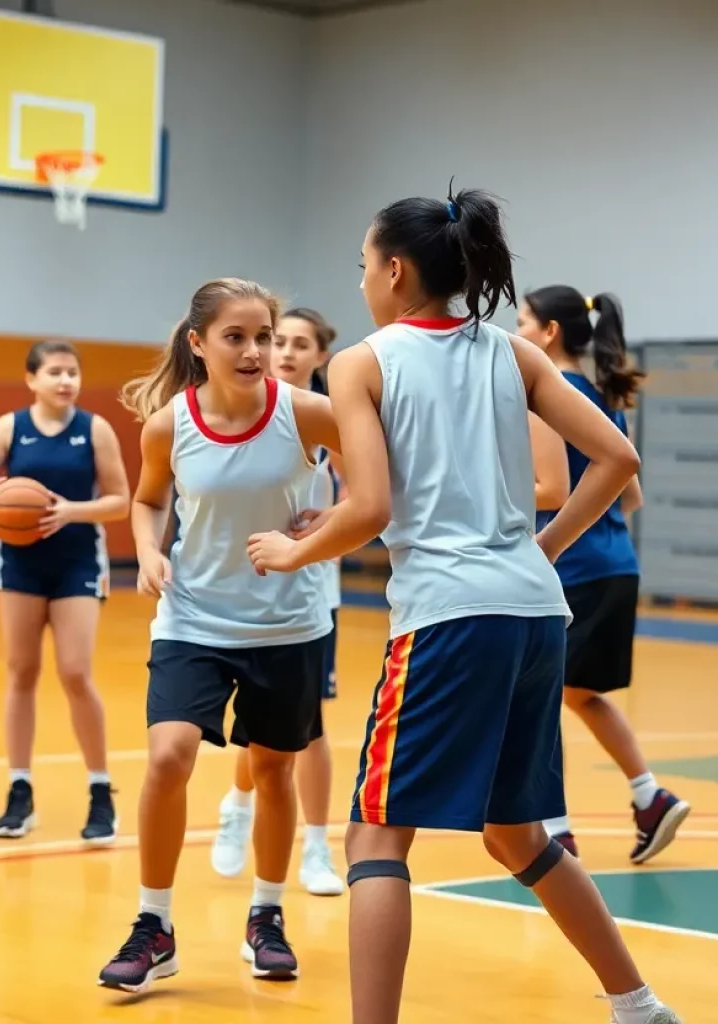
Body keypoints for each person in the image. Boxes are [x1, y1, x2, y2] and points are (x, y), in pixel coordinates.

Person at [247, 190, 682, 1024]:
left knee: (376, 838)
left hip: (448, 616)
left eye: (365, 263)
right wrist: (541, 551)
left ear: (395, 270)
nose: (364, 278)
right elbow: (617, 457)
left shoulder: (363, 362)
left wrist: (293, 549)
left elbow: (368, 507)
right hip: (531, 615)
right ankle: (638, 1005)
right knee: (517, 833)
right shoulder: (509, 353)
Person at [97, 278, 340, 994]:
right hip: (193, 617)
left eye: (264, 337)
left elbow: (373, 494)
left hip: (288, 621)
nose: (256, 350)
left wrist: (322, 529)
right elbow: (147, 502)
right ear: (198, 344)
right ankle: (154, 926)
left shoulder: (308, 413)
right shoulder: (169, 424)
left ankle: (266, 915)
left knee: (272, 772)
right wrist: (147, 551)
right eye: (237, 337)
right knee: (169, 756)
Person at [517, 287, 690, 862]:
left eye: (523, 322)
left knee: (542, 696)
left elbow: (553, 488)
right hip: (617, 564)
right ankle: (649, 796)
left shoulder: (551, 394)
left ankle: (558, 828)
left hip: (573, 566)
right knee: (580, 695)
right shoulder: (600, 396)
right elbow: (630, 494)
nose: (516, 333)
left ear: (548, 333)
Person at [0, 340, 130, 842]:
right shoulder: (9, 427)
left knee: (76, 672)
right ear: (31, 379)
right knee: (22, 672)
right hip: (20, 562)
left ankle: (101, 792)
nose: (65, 380)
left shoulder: (94, 429)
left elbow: (120, 501)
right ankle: (20, 790)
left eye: (72, 372)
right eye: (55, 372)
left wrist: (69, 510)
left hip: (77, 558)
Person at [211, 307, 345, 896]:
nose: (286, 352)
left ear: (320, 355)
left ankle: (316, 847)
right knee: (263, 734)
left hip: (310, 595)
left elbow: (372, 490)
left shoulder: (331, 417)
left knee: (308, 728)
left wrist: (330, 524)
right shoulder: (237, 408)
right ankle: (239, 802)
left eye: (299, 344)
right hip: (236, 593)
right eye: (279, 340)